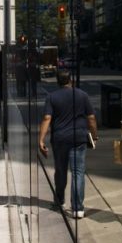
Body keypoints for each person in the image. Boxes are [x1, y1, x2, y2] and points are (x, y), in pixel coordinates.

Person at [38, 70, 98, 219]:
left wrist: (41, 139)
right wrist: (94, 135)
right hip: (78, 138)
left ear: (57, 81)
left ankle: (59, 200)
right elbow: (91, 118)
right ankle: (78, 208)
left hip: (60, 139)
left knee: (61, 171)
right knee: (78, 172)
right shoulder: (82, 95)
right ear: (70, 80)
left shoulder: (52, 97)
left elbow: (46, 118)